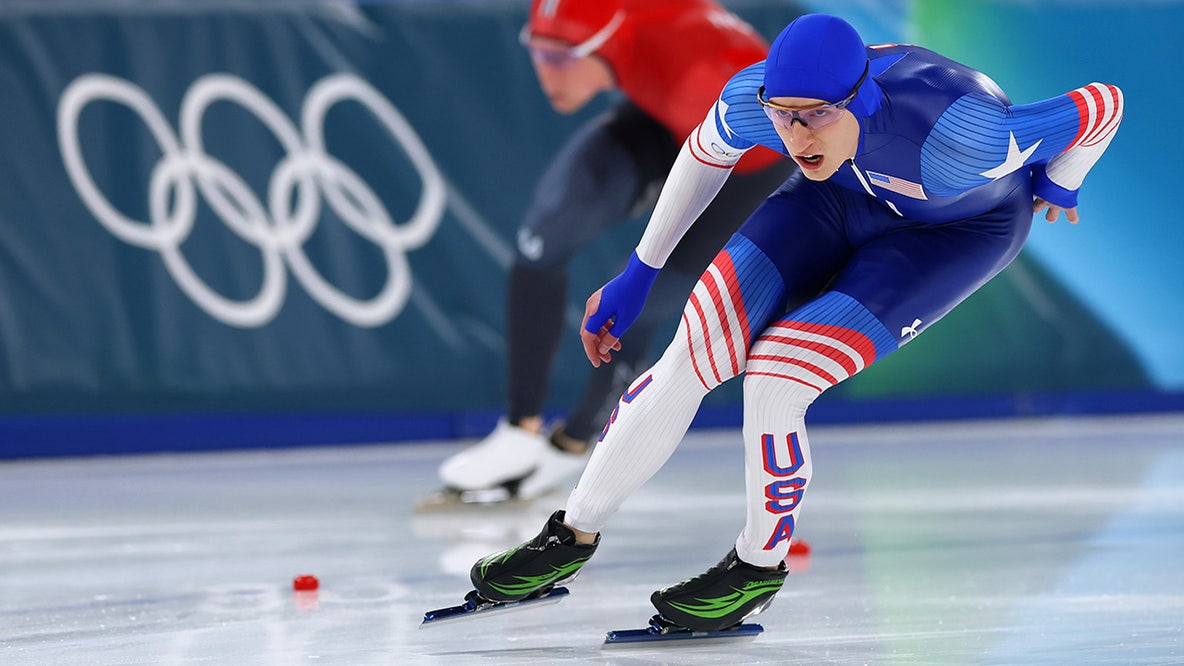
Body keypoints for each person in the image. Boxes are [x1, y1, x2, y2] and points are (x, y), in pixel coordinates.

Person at [467, 14, 1123, 632]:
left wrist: (1063, 181)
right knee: (694, 349)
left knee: (776, 377)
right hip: (836, 197)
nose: (797, 137)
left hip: (953, 234)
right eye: (784, 119)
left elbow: (1102, 105)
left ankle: (756, 567)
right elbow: (703, 157)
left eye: (815, 118)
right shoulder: (754, 98)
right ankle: (569, 534)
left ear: (860, 102)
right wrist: (641, 272)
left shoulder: (963, 137)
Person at [435, 0, 794, 503]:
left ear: (608, 45)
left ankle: (576, 441)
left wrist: (646, 265)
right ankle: (520, 431)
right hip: (661, 112)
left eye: (560, 60)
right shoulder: (614, 30)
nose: (545, 74)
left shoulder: (697, 75)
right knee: (547, 229)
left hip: (745, 157)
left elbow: (703, 172)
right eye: (537, 53)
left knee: (649, 296)